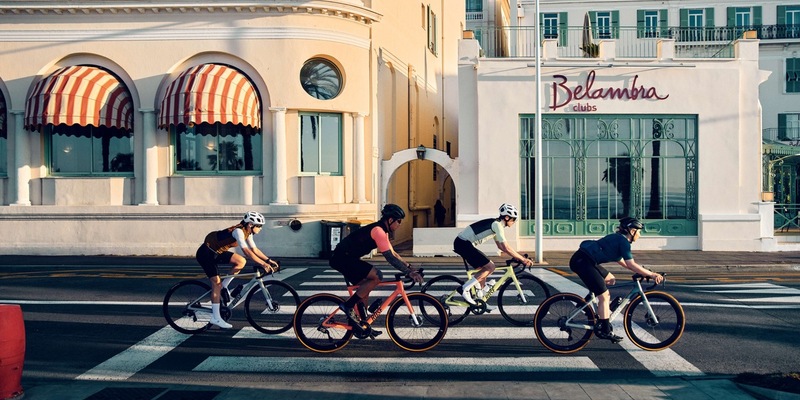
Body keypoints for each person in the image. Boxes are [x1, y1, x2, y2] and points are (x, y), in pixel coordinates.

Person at [329, 204, 423, 336]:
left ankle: (363, 325)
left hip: (346, 258)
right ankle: (348, 306)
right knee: (377, 275)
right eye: (399, 221)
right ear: (390, 220)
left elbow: (393, 253)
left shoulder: (382, 231)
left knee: (365, 287)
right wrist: (409, 273)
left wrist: (409, 267)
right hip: (342, 258)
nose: (400, 224)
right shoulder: (378, 230)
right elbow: (389, 257)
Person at [569, 217, 664, 342]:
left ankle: (589, 307)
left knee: (610, 279)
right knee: (604, 296)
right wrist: (652, 275)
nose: (639, 234)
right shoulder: (623, 242)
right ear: (631, 231)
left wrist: (643, 271)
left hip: (586, 260)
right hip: (583, 262)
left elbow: (623, 261)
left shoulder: (618, 238)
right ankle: (605, 330)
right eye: (639, 231)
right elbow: (631, 264)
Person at [195, 211, 279, 329]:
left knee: (241, 262)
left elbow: (254, 250)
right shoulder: (238, 231)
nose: (260, 229)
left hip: (217, 252)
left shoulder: (248, 233)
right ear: (250, 224)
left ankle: (224, 287)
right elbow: (247, 252)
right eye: (259, 226)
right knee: (216, 284)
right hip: (206, 253)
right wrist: (262, 264)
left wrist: (268, 260)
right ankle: (216, 317)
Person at [453, 203, 533, 307]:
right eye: (513, 219)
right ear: (507, 217)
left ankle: (480, 301)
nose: (514, 222)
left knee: (483, 268)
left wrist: (516, 256)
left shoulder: (496, 225)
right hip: (463, 243)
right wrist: (522, 259)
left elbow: (500, 246)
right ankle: (464, 289)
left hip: (463, 243)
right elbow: (505, 247)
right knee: (490, 267)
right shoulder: (497, 225)